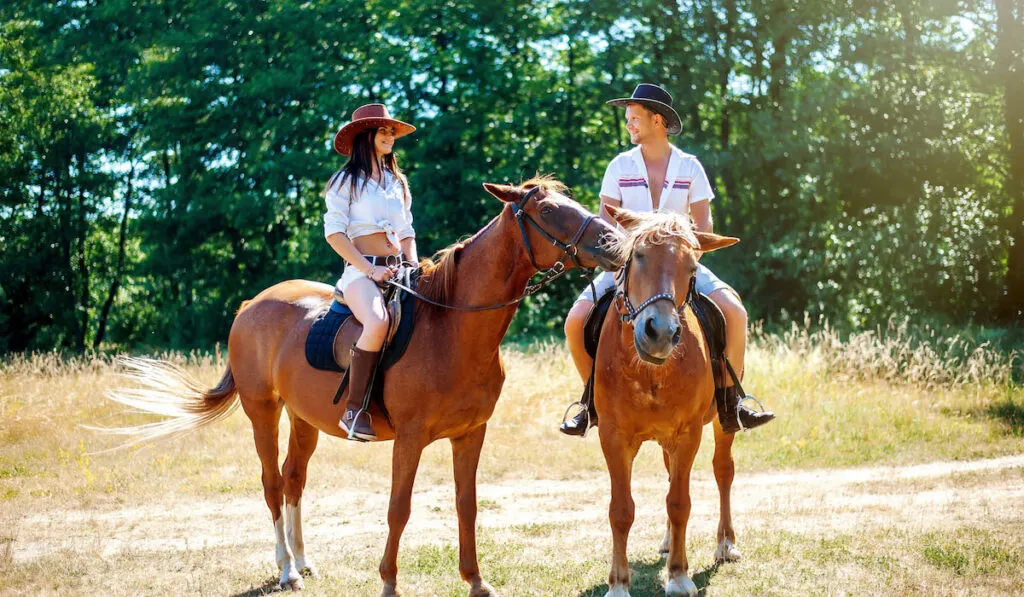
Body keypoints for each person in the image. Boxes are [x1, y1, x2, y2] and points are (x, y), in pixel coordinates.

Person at [559, 84, 775, 437]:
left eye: (634, 118)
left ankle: (731, 401)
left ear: (656, 120)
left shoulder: (690, 167)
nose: (628, 125)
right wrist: (623, 262)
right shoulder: (619, 166)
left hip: (679, 263)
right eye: (627, 119)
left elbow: (704, 225)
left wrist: (683, 263)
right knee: (575, 320)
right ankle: (590, 403)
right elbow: (606, 224)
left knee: (736, 314)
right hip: (630, 266)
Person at [324, 103, 418, 442]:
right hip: (360, 273)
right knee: (377, 322)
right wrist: (368, 269)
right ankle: (353, 411)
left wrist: (412, 263)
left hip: (400, 271)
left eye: (392, 130)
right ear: (366, 136)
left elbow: (407, 231)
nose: (391, 135)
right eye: (384, 130)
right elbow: (334, 233)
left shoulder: (396, 182)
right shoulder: (344, 181)